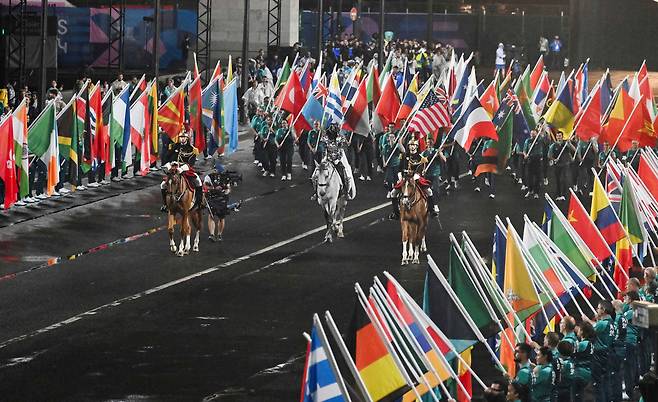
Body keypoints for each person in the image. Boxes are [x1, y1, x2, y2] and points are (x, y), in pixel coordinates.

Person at [391, 135, 439, 218]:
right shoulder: (404, 156)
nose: (412, 147)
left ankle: (432, 210)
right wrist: (400, 177)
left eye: (414, 145)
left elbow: (420, 170)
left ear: (416, 146)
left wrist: (415, 177)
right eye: (410, 145)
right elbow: (400, 169)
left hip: (416, 178)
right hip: (405, 178)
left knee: (429, 191)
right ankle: (396, 213)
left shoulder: (420, 158)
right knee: (393, 193)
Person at [160, 130, 203, 212]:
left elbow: (191, 163)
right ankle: (165, 204)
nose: (182, 139)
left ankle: (198, 203)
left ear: (187, 138)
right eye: (181, 137)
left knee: (198, 181)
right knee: (163, 185)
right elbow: (166, 157)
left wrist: (181, 169)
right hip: (173, 170)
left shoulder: (191, 149)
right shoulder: (175, 146)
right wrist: (169, 166)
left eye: (184, 137)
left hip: (185, 170)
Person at [582, 300, 615, 402]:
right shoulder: (611, 322)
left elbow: (592, 328)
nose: (596, 310)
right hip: (608, 354)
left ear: (603, 310)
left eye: (598, 308)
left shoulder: (603, 323)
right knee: (606, 382)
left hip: (599, 357)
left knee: (598, 384)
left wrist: (587, 320)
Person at [203, 160, 242, 242]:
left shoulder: (225, 178)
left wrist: (224, 191)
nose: (216, 171)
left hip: (222, 199)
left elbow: (228, 189)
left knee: (221, 217)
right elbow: (205, 187)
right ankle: (212, 234)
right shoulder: (209, 177)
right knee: (211, 215)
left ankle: (219, 234)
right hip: (212, 198)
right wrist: (214, 189)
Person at [623, 291, 640, 399]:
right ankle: (634, 383)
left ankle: (629, 390)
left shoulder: (630, 312)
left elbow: (620, 319)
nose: (624, 298)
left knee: (628, 366)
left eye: (626, 297)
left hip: (628, 340)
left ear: (631, 299)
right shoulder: (638, 309)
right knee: (633, 363)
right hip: (634, 339)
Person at [548, 131, 575, 201]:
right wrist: (554, 159)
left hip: (565, 164)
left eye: (560, 136)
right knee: (557, 180)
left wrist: (570, 143)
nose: (558, 137)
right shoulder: (553, 145)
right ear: (556, 137)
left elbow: (574, 150)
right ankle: (559, 194)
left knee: (564, 179)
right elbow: (549, 155)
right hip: (557, 165)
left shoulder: (566, 144)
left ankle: (563, 195)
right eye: (557, 136)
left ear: (562, 136)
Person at [573, 321, 594, 400]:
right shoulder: (590, 343)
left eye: (579, 329)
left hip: (579, 373)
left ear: (582, 331)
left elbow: (569, 352)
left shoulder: (582, 344)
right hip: (588, 372)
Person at [523, 129, 543, 199]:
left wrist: (542, 128)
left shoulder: (540, 140)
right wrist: (525, 155)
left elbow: (545, 137)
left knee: (537, 178)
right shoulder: (528, 141)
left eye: (534, 134)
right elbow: (524, 150)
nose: (532, 135)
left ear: (537, 134)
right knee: (529, 177)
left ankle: (536, 193)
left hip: (537, 161)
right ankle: (530, 190)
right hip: (530, 161)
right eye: (531, 134)